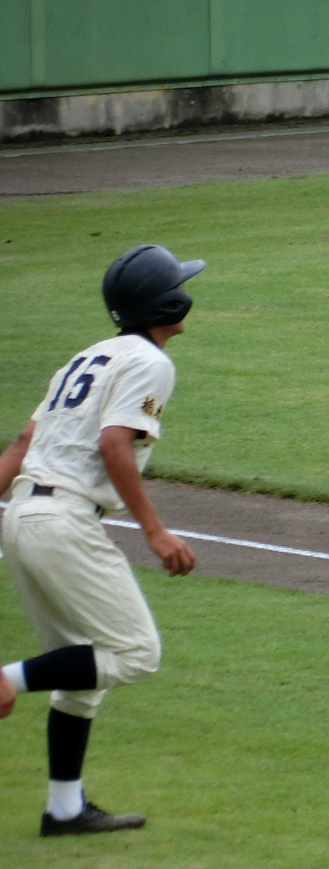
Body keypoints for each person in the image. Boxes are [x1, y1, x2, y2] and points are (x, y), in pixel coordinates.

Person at [0, 245, 202, 835]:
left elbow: (23, 442)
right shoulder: (150, 362)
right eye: (178, 285)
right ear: (165, 304)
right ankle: (6, 678)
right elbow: (114, 444)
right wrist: (154, 530)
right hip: (63, 522)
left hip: (23, 516)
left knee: (81, 673)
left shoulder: (88, 355)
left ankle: (64, 809)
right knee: (135, 652)